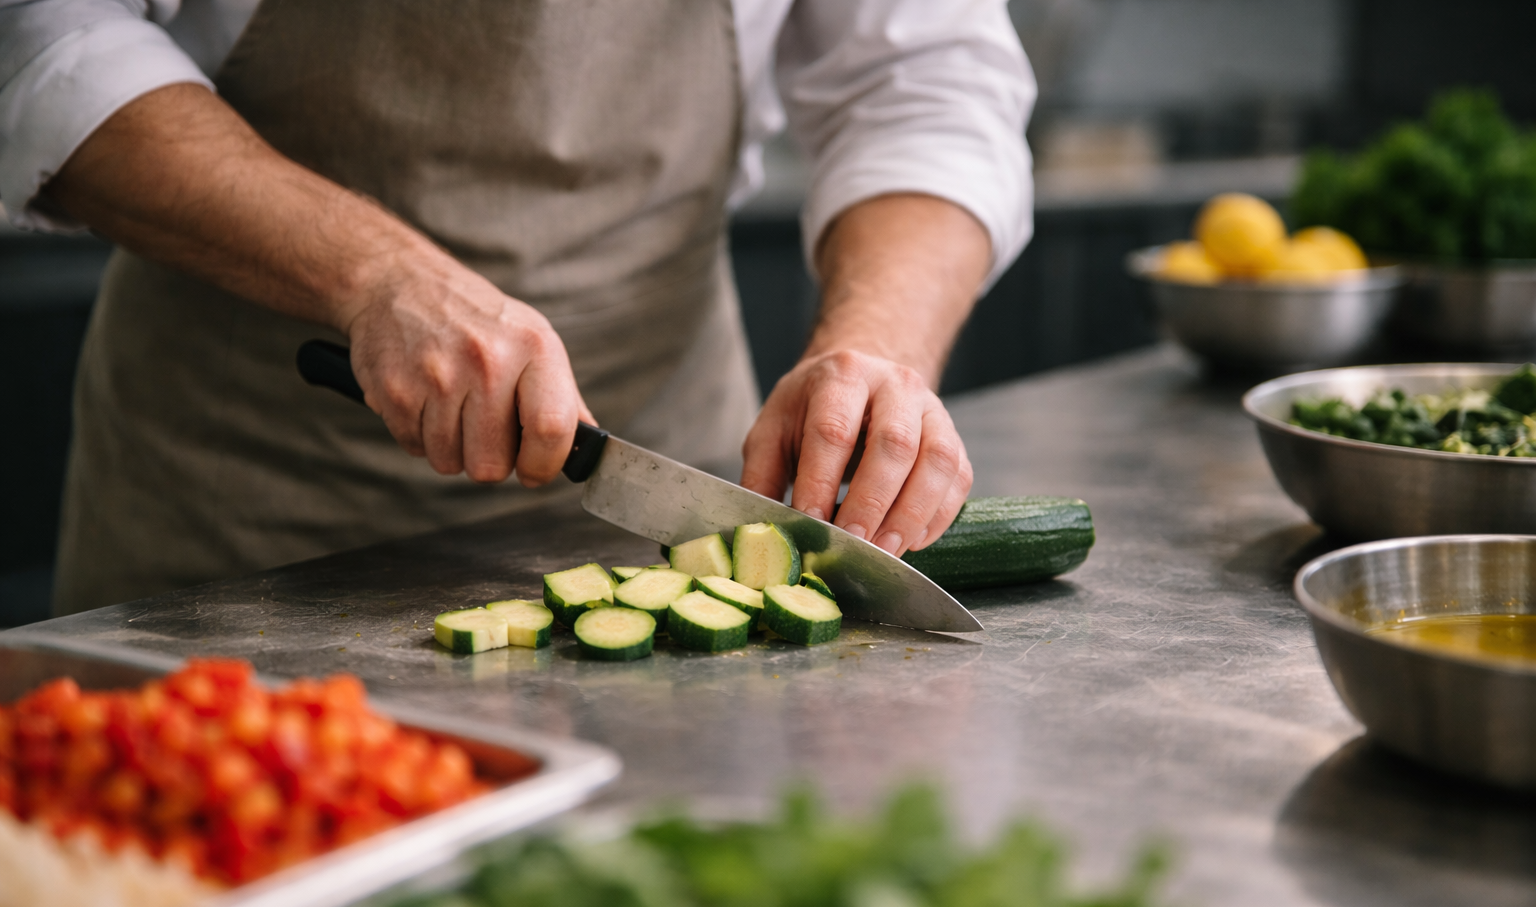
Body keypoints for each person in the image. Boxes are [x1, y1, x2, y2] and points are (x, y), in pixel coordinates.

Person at [0, 0, 1035, 615]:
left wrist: (875, 347)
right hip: (238, 509)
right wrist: (374, 271)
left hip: (663, 466)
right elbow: (41, 32)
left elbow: (930, 77)